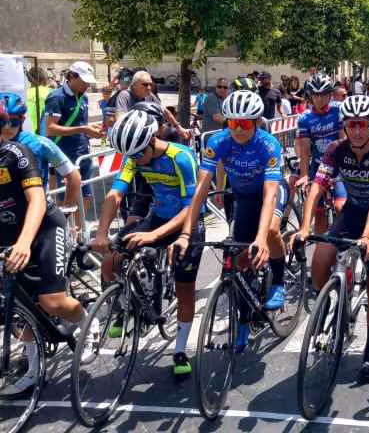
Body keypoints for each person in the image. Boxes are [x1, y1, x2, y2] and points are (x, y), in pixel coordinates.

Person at [91, 110, 204, 378]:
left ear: (152, 140)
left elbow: (191, 207)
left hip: (186, 223)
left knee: (184, 289)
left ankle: (180, 350)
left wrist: (155, 236)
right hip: (158, 216)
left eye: (140, 153)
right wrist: (101, 233)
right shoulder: (134, 156)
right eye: (131, 155)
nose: (137, 159)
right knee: (110, 262)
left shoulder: (181, 157)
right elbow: (116, 194)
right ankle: (129, 307)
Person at [295, 95, 369, 383]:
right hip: (351, 211)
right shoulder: (336, 150)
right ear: (345, 127)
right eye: (352, 125)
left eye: (363, 124)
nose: (358, 130)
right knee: (321, 258)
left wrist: (367, 236)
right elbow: (317, 187)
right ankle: (327, 301)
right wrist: (304, 227)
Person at [184, 90, 290, 352]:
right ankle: (243, 321)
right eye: (233, 122)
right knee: (241, 262)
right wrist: (186, 234)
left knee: (271, 231)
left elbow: (270, 194)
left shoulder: (268, 144)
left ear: (256, 122)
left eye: (244, 123)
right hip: (244, 197)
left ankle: (278, 282)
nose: (238, 129)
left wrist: (261, 238)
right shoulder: (218, 142)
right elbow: (201, 189)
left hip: (270, 192)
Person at [0, 136, 96, 396]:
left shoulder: (15, 153)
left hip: (44, 228)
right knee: (18, 308)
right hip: (8, 233)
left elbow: (38, 200)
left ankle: (87, 321)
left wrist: (24, 243)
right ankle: (34, 371)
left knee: (52, 301)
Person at [0, 94, 81, 215]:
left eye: (13, 122)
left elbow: (74, 176)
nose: (7, 127)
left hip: (38, 212)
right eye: (2, 122)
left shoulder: (40, 143)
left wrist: (67, 210)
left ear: (22, 119)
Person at [44, 61, 104, 217]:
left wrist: (92, 128)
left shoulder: (84, 97)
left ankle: (79, 229)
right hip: (64, 155)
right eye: (84, 81)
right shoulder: (56, 97)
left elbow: (80, 124)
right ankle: (65, 229)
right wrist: (83, 129)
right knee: (67, 199)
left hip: (83, 153)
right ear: (72, 76)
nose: (87, 85)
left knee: (86, 196)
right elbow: (50, 128)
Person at [295, 73, 346, 236]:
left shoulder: (339, 111)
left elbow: (343, 141)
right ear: (310, 96)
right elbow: (305, 151)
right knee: (319, 214)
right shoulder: (305, 118)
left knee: (340, 206)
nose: (319, 99)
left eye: (323, 94)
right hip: (318, 167)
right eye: (316, 95)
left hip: (338, 166)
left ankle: (345, 240)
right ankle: (320, 247)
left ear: (330, 94)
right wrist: (304, 175)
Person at [115, 70, 190, 140]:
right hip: (132, 136)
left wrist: (179, 128)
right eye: (145, 84)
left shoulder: (149, 95)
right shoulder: (124, 95)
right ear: (134, 85)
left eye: (150, 84)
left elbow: (164, 111)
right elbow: (120, 119)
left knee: (173, 133)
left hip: (149, 134)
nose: (149, 88)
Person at [26, 66, 51, 134]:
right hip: (45, 132)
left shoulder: (24, 93)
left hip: (28, 131)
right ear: (44, 77)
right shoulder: (51, 92)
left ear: (29, 79)